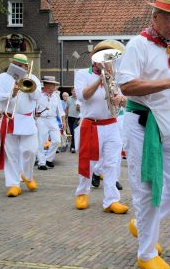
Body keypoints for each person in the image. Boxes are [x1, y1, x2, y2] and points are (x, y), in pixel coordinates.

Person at [117, 0, 170, 269]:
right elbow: (126, 86)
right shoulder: (138, 45)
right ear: (155, 17)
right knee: (146, 188)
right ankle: (146, 253)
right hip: (143, 124)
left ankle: (143, 225)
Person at [73, 40, 128, 214]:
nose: (106, 61)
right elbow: (83, 97)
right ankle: (82, 193)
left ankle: (111, 200)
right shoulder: (83, 73)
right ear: (93, 58)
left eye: (109, 58)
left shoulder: (117, 76)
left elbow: (124, 100)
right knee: (88, 163)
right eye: (102, 58)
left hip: (111, 124)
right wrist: (100, 80)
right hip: (92, 125)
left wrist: (119, 98)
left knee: (112, 163)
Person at [0, 54, 41, 196]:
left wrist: (27, 84)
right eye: (16, 65)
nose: (19, 68)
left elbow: (37, 96)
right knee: (11, 154)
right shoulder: (2, 77)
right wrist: (11, 93)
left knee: (30, 150)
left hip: (26, 120)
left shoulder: (32, 77)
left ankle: (27, 175)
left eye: (22, 66)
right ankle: (13, 184)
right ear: (12, 64)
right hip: (9, 119)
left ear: (26, 66)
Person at [35, 76, 65, 170]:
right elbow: (33, 108)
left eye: (54, 85)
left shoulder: (56, 96)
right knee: (41, 141)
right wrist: (35, 113)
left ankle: (49, 159)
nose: (54, 87)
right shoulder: (38, 95)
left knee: (57, 140)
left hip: (52, 120)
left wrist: (63, 121)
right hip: (41, 120)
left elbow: (60, 110)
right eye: (52, 85)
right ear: (46, 85)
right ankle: (41, 163)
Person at [65, 88, 80, 153]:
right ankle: (73, 146)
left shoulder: (80, 99)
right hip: (70, 117)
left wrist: (79, 109)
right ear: (71, 91)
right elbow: (67, 108)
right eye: (73, 91)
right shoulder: (68, 99)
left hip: (77, 117)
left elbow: (84, 109)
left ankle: (73, 147)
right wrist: (65, 118)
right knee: (71, 132)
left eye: (76, 91)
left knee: (74, 132)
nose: (75, 92)